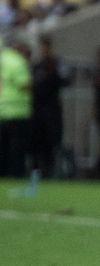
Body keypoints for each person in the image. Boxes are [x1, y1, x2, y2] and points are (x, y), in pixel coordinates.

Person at [31, 36, 70, 178]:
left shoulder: (55, 64)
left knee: (51, 142)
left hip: (51, 109)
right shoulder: (36, 66)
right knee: (37, 143)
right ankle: (36, 172)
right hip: (38, 110)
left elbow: (66, 82)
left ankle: (50, 172)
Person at [0, 41, 32, 178]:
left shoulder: (2, 60)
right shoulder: (17, 62)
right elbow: (25, 84)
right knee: (16, 151)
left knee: (2, 151)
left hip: (2, 111)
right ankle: (15, 178)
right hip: (17, 111)